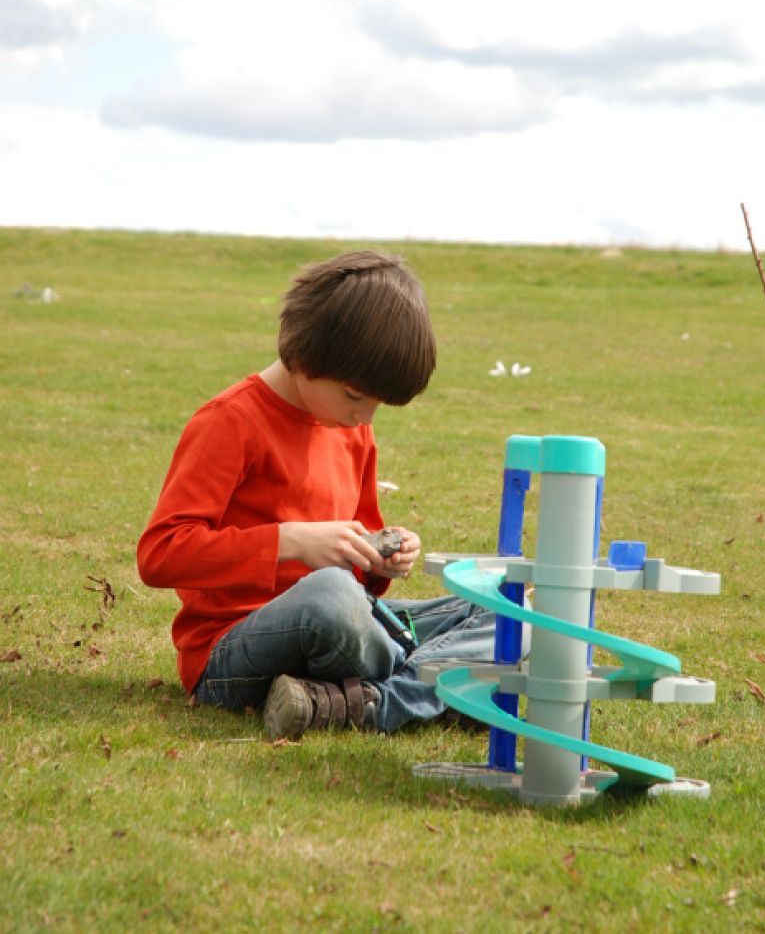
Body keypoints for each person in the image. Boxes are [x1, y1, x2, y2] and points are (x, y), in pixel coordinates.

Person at [137, 249, 497, 740]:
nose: (365, 418)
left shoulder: (351, 430)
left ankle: (370, 703)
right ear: (305, 358)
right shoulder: (230, 422)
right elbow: (160, 555)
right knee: (329, 596)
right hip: (231, 653)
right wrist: (290, 541)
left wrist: (379, 559)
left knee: (504, 610)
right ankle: (438, 686)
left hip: (343, 632)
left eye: (377, 405)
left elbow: (359, 581)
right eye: (355, 397)